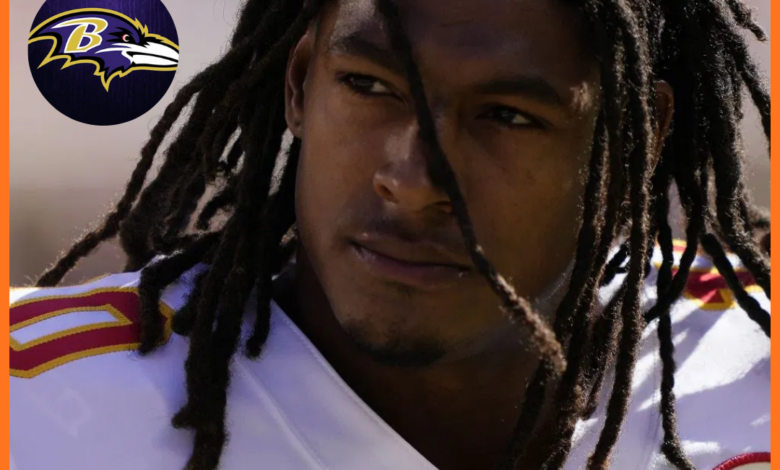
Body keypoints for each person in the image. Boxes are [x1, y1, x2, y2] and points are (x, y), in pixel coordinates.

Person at [9, 0, 771, 469]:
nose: (411, 181)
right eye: (369, 86)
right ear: (299, 82)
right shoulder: (37, 410)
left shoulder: (751, 371)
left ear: (634, 144)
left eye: (507, 116)